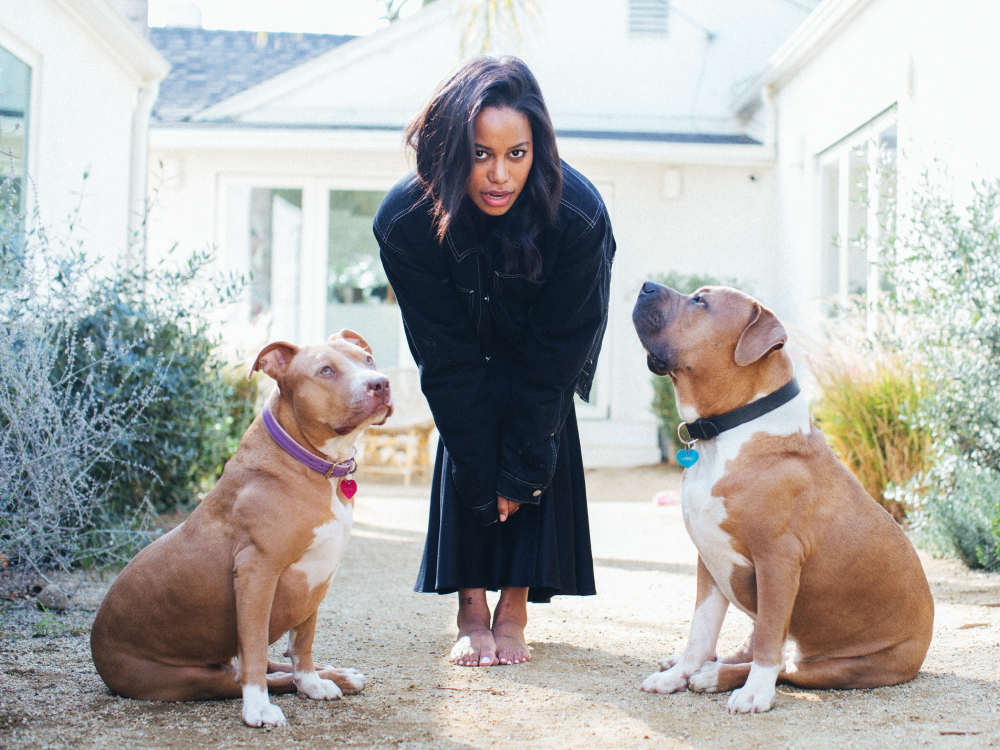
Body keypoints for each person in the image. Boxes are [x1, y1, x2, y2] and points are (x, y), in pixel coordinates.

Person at [373, 56, 615, 668]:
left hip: (542, 356)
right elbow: (446, 359)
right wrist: (483, 479)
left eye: (517, 154)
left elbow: (555, 358)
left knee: (532, 439)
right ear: (450, 150)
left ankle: (513, 611)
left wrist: (519, 473)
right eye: (480, 154)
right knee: (471, 441)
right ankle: (470, 609)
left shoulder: (579, 215)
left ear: (539, 149)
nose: (499, 175)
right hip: (463, 353)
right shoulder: (405, 220)